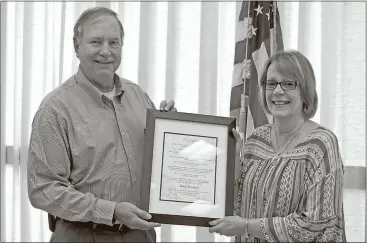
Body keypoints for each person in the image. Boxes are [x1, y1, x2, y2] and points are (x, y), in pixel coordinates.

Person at [27, 7, 176, 242]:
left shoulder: (139, 96)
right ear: (77, 46)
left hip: (141, 234)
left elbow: (155, 163)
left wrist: (171, 131)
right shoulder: (55, 109)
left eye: (113, 43)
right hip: (84, 235)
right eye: (96, 42)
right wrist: (112, 212)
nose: (106, 51)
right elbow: (44, 190)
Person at [209, 50, 346, 242]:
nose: (278, 91)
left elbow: (314, 224)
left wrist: (247, 226)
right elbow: (237, 207)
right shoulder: (256, 139)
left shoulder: (321, 144)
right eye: (271, 83)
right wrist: (234, 162)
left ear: (305, 90)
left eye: (289, 84)